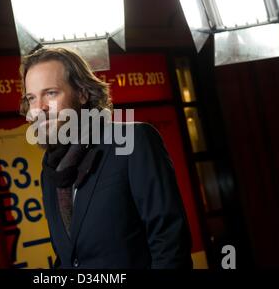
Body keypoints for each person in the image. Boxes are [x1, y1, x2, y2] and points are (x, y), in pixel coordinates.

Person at [19, 47, 192, 269]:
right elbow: (69, 259)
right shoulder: (49, 173)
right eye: (31, 98)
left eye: (51, 93)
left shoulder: (131, 141)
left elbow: (170, 243)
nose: (38, 108)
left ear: (82, 93)